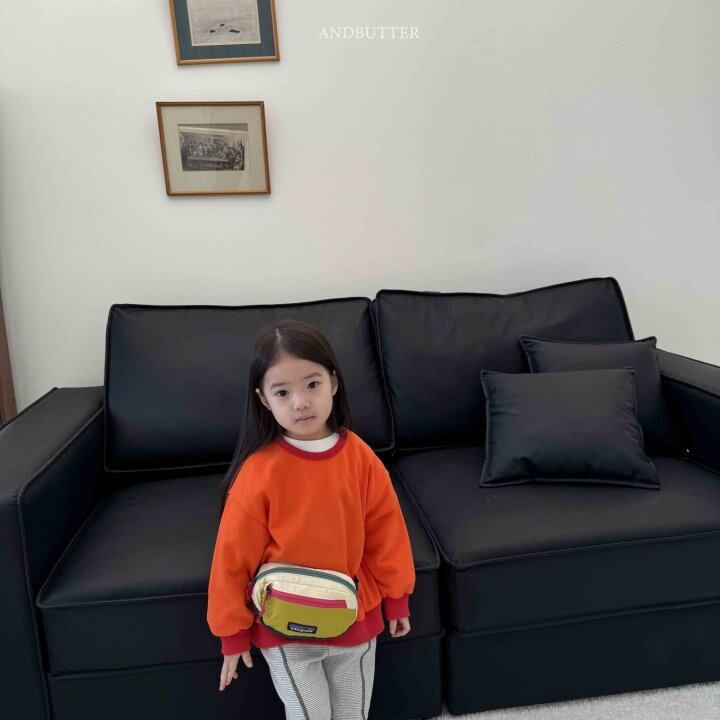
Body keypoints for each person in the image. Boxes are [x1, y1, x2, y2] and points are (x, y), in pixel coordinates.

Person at [206, 319, 416, 719]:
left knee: (352, 714)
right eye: (283, 392)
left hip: (354, 617)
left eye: (312, 384)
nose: (300, 402)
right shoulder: (259, 471)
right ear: (264, 399)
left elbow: (386, 533)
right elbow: (232, 556)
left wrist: (397, 599)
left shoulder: (360, 457)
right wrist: (232, 631)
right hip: (284, 627)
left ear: (333, 383)